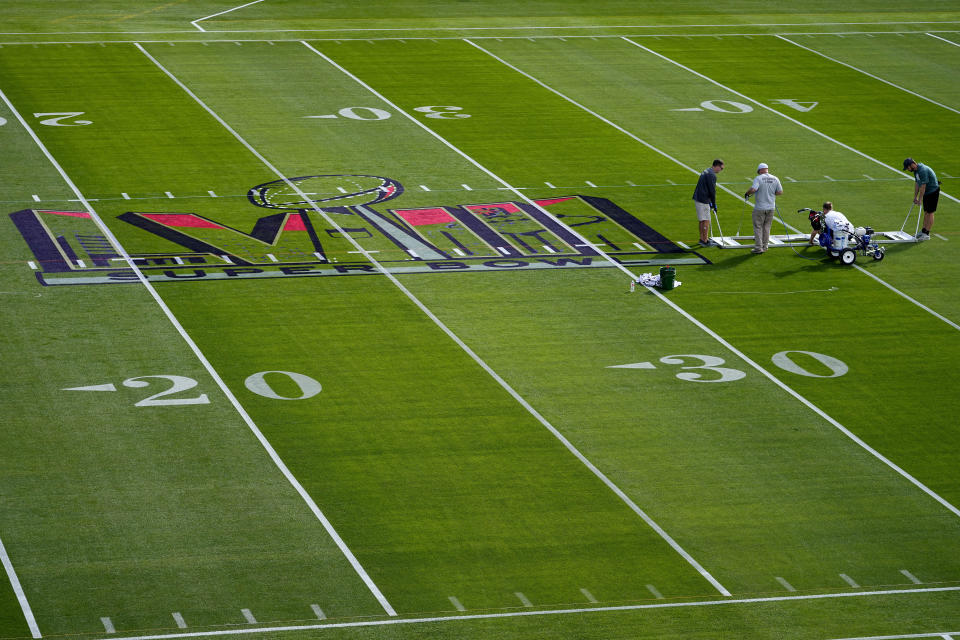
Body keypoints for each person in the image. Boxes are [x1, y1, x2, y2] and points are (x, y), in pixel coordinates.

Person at [743, 163, 783, 253]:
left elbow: (753, 189)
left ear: (760, 170)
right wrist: (771, 194)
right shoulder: (775, 178)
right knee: (767, 227)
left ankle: (758, 248)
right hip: (771, 207)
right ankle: (765, 246)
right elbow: (780, 192)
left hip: (760, 208)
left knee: (758, 227)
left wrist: (747, 193)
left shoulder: (759, 178)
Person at [903, 158, 940, 241]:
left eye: (907, 167)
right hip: (927, 192)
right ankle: (923, 230)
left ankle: (927, 234)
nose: (908, 169)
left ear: (912, 165)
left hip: (932, 191)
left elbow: (923, 186)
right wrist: (915, 197)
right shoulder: (916, 171)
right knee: (926, 212)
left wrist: (920, 199)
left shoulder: (922, 170)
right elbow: (917, 183)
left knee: (930, 212)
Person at [692, 159, 724, 246]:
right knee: (706, 220)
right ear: (716, 166)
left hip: (698, 197)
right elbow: (712, 191)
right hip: (703, 199)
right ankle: (705, 240)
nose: (721, 170)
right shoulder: (711, 175)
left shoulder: (706, 170)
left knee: (701, 220)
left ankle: (702, 239)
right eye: (721, 168)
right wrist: (713, 204)